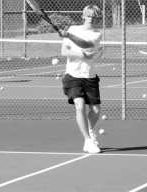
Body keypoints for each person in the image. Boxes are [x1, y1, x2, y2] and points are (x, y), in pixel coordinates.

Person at [58, 5, 102, 153]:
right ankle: (88, 141)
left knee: (95, 110)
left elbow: (85, 44)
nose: (91, 18)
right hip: (73, 75)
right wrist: (81, 55)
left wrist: (69, 36)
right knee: (80, 106)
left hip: (89, 76)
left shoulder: (97, 34)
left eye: (94, 16)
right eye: (88, 15)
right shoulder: (73, 29)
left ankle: (90, 130)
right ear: (83, 16)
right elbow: (64, 52)